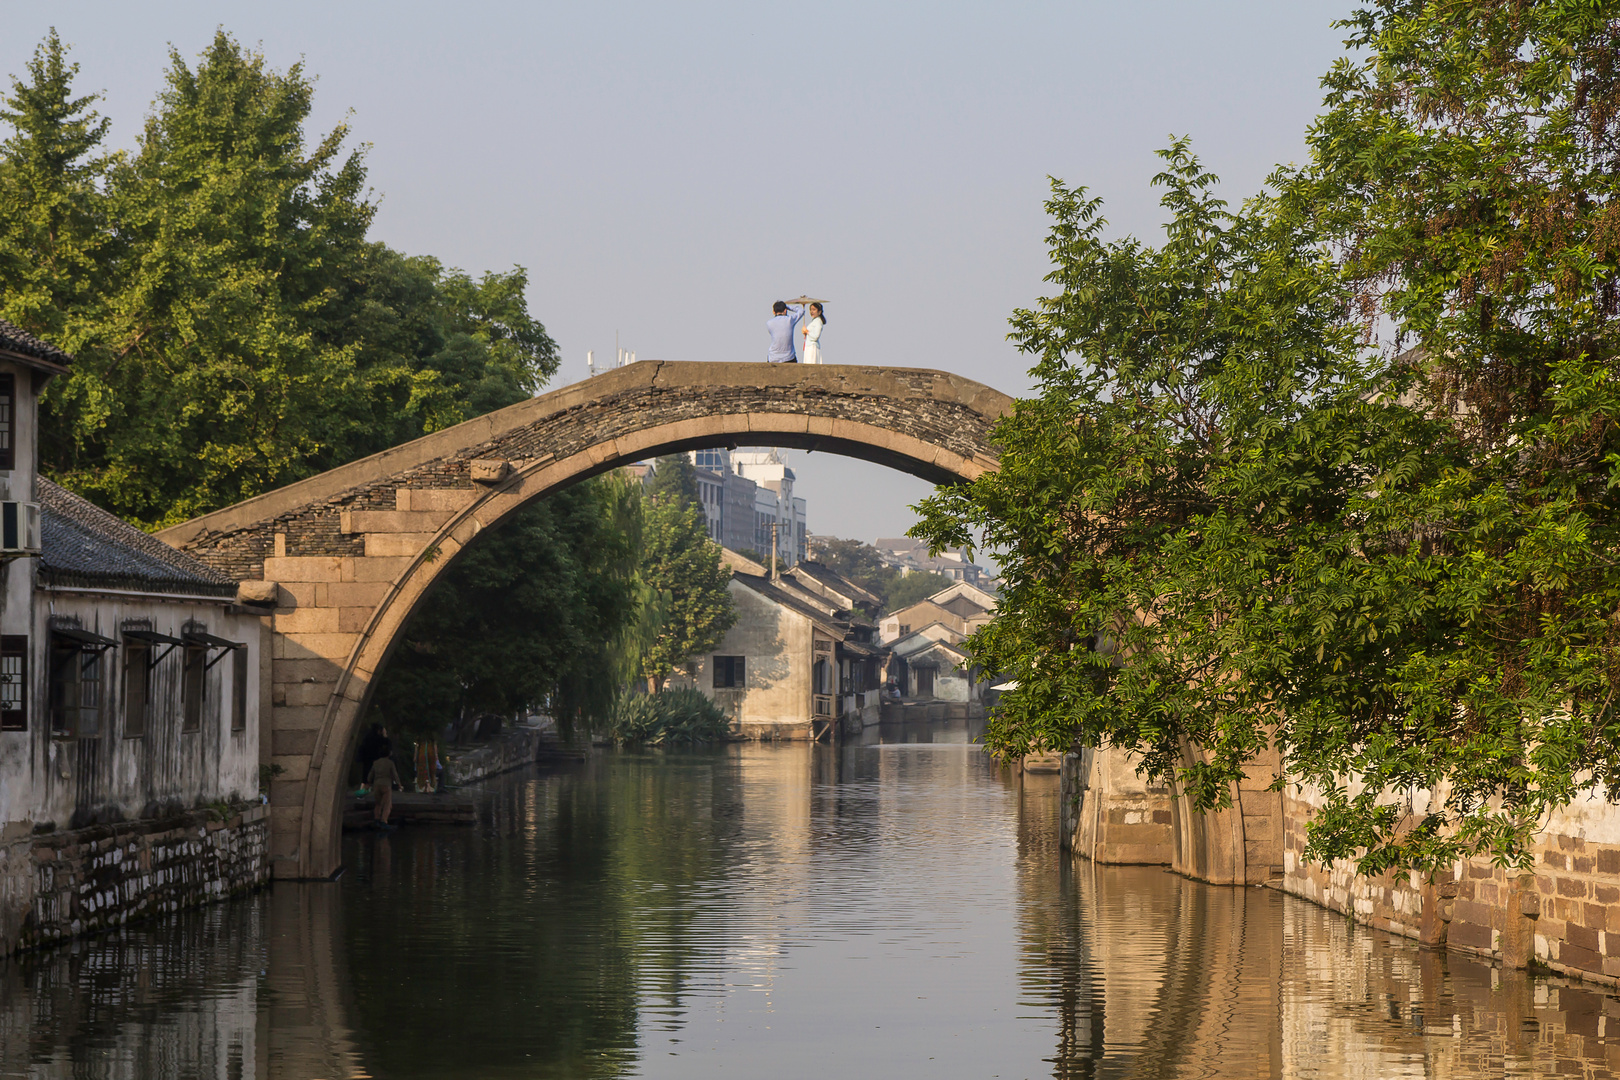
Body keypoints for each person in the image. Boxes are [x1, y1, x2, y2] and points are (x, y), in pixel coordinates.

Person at [367, 739, 401, 828]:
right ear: (388, 754)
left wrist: (369, 782)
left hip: (376, 784)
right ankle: (384, 821)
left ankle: (376, 819)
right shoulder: (390, 763)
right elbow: (394, 774)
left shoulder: (376, 763)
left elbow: (371, 773)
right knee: (387, 805)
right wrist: (399, 784)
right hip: (386, 785)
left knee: (378, 804)